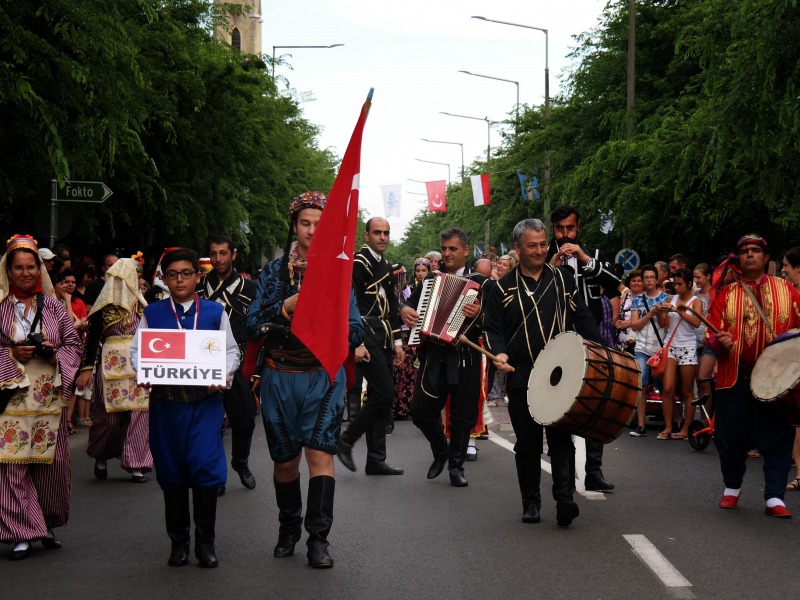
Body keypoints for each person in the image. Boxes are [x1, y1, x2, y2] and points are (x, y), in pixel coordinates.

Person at [246, 191, 365, 568]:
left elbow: (357, 329)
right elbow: (251, 323)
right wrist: (285, 307)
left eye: (319, 224)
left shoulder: (338, 274)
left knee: (320, 454)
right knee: (285, 461)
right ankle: (288, 528)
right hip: (279, 377)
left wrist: (331, 330)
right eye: (305, 223)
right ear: (294, 226)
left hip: (321, 377)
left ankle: (318, 539)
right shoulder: (272, 272)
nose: (312, 231)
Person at [484, 219, 603, 527]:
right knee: (528, 442)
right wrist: (498, 352)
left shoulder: (563, 279)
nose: (539, 251)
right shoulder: (500, 288)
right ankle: (530, 501)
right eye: (531, 245)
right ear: (517, 248)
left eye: (542, 244)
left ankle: (565, 498)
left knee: (562, 437)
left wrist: (600, 349)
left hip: (561, 371)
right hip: (522, 373)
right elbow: (493, 330)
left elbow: (583, 317)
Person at [132, 248, 239, 567]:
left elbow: (231, 352)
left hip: (204, 405)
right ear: (164, 278)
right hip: (167, 406)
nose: (180, 279)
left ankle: (206, 544)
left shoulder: (213, 312)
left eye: (186, 273)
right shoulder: (152, 313)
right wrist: (143, 372)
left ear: (198, 276)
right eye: (173, 274)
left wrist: (223, 374)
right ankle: (179, 543)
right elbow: (138, 351)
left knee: (205, 469)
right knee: (172, 471)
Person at [0, 234, 82, 560]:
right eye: (17, 267)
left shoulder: (54, 307)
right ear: (8, 270)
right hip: (11, 398)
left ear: (40, 269)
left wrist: (54, 356)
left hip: (49, 398)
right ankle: (21, 531)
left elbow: (74, 345)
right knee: (13, 463)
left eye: (30, 266)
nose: (25, 273)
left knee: (50, 463)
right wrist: (11, 353)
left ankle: (44, 522)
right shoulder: (1, 307)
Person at [708, 234, 800, 517]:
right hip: (735, 378)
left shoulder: (788, 290)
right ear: (739, 258)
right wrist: (718, 342)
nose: (750, 254)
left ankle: (774, 496)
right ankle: (731, 489)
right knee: (730, 436)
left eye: (756, 250)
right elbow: (710, 333)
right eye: (745, 251)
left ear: (765, 258)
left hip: (777, 382)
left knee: (778, 437)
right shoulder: (725, 294)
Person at [400, 228, 486, 488]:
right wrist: (404, 310)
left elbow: (496, 322)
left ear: (466, 251)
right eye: (444, 248)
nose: (447, 253)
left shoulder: (482, 283)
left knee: (462, 416)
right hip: (435, 356)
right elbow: (407, 306)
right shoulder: (430, 281)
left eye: (453, 249)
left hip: (466, 357)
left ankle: (456, 466)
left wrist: (480, 313)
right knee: (419, 411)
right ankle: (441, 451)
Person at [546, 204, 620, 492]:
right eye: (560, 229)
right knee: (559, 402)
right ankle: (562, 474)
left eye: (570, 228)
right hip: (556, 339)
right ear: (553, 228)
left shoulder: (594, 255)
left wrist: (585, 259)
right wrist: (551, 266)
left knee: (597, 401)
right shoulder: (543, 255)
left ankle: (594, 471)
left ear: (578, 228)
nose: (565, 235)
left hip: (590, 339)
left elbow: (616, 283)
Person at [76, 258, 153, 483]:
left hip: (139, 366)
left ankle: (137, 464)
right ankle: (101, 455)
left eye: (135, 277)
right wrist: (87, 368)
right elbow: (91, 342)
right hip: (111, 368)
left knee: (140, 415)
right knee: (108, 418)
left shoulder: (144, 306)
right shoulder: (103, 309)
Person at [338, 218, 405, 475]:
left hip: (384, 336)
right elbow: (349, 304)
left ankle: (376, 459)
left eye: (386, 233)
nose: (383, 237)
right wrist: (358, 342)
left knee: (381, 396)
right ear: (366, 236)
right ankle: (347, 439)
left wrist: (398, 341)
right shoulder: (358, 263)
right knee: (384, 393)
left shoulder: (384, 264)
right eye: (377, 233)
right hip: (365, 334)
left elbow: (392, 305)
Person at [200, 235, 258, 493]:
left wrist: (258, 366)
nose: (218, 259)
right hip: (202, 359)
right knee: (209, 421)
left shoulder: (250, 288)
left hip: (237, 360)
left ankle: (240, 461)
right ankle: (215, 474)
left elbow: (256, 327)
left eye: (223, 253)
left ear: (233, 255)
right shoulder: (199, 287)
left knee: (245, 418)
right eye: (214, 254)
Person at [655, 268, 702, 440]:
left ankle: (686, 428)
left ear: (689, 284)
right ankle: (669, 426)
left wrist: (677, 310)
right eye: (675, 284)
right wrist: (662, 313)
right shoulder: (670, 298)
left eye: (680, 284)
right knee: (667, 388)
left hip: (688, 347)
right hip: (671, 346)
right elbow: (663, 325)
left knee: (687, 391)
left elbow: (697, 323)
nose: (676, 287)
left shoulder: (696, 301)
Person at [628, 265, 670, 436]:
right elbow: (635, 325)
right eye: (646, 278)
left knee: (667, 388)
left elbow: (664, 324)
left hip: (660, 349)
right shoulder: (638, 300)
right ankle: (641, 425)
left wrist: (660, 313)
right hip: (642, 348)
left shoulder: (666, 298)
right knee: (642, 386)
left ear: (656, 279)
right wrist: (650, 313)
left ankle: (673, 422)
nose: (649, 280)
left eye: (652, 277)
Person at [780, 247, 800, 491]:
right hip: (794, 364)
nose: (783, 269)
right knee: (797, 423)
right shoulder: (788, 294)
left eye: (786, 265)